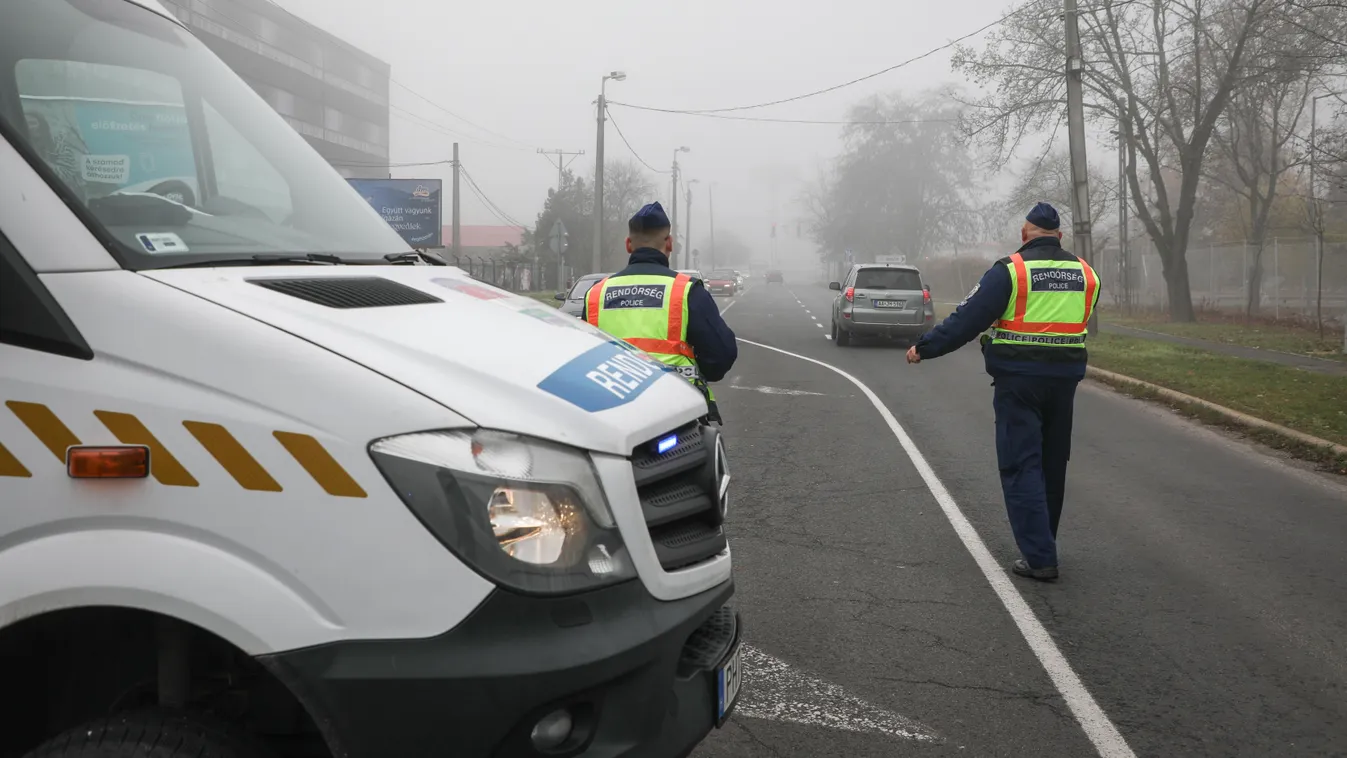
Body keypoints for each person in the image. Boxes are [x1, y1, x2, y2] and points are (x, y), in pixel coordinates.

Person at [905, 202, 1100, 581]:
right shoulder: (1086, 273)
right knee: (1051, 464)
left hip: (1019, 381)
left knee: (1021, 463)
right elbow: (1081, 318)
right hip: (1064, 381)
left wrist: (925, 348)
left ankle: (1040, 557)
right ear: (1060, 236)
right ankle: (1044, 539)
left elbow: (968, 318)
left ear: (1024, 234)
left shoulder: (1012, 270)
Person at [583, 201, 738, 422]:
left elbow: (583, 358)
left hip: (609, 412)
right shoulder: (686, 291)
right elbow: (721, 355)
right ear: (670, 243)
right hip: (677, 411)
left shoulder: (596, 293)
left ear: (628, 244)